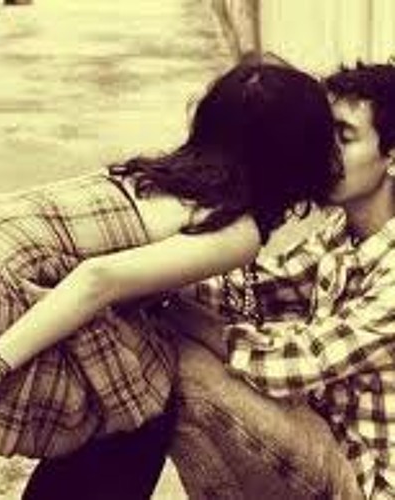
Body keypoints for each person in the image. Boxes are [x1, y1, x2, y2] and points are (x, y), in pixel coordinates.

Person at [0, 55, 334, 498]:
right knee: (141, 403)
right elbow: (97, 279)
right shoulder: (235, 230)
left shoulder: (151, 175)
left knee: (136, 379)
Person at [165, 61, 395, 499]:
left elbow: (295, 363)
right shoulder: (343, 230)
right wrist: (154, 275)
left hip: (365, 481)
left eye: (344, 137)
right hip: (325, 436)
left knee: (188, 373)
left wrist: (183, 316)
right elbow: (257, 287)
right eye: (324, 133)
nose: (324, 151)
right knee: (154, 339)